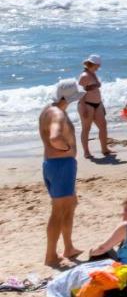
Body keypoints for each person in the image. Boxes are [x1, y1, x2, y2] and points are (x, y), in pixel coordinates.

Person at [40, 81, 81, 268]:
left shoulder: (47, 111)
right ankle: (50, 256)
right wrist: (68, 147)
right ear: (65, 98)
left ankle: (68, 248)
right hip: (61, 165)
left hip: (53, 164)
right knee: (58, 211)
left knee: (71, 203)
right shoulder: (58, 114)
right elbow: (55, 137)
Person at [77, 55, 110, 159]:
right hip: (87, 104)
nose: (99, 67)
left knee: (103, 126)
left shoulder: (93, 74)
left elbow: (95, 89)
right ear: (92, 64)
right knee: (86, 128)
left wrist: (101, 104)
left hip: (98, 104)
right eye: (97, 65)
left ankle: (104, 149)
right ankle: (86, 152)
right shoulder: (84, 75)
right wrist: (83, 107)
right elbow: (80, 93)